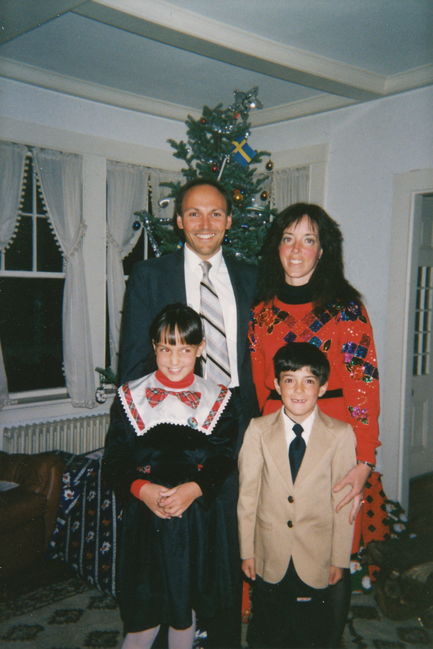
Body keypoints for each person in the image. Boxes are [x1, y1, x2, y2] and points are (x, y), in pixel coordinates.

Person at [118, 177, 258, 647]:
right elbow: (136, 362)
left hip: (236, 420)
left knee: (226, 540)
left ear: (229, 221)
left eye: (215, 213)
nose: (205, 223)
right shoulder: (150, 276)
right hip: (173, 428)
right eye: (193, 213)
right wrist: (151, 449)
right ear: (178, 221)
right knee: (171, 543)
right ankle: (169, 631)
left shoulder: (252, 276)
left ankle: (219, 639)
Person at [248, 202, 380, 643]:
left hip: (336, 444)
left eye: (308, 239)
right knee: (279, 538)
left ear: (323, 250)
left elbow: (365, 386)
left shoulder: (346, 309)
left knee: (330, 552)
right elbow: (258, 384)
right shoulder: (261, 311)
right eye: (288, 238)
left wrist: (364, 459)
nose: (297, 249)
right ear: (277, 248)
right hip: (277, 437)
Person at [104, 304, 239, 649]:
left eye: (185, 349)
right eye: (166, 349)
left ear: (200, 349)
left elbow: (222, 460)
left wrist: (193, 489)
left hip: (193, 521)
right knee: (143, 617)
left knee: (184, 610)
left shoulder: (218, 399)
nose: (175, 360)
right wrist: (142, 489)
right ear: (154, 347)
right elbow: (116, 460)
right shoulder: (129, 396)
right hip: (145, 521)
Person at [238, 342, 356, 648]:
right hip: (269, 549)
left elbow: (343, 505)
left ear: (323, 387)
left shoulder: (341, 434)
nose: (299, 390)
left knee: (310, 631)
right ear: (277, 385)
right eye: (290, 380)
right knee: (268, 629)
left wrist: (339, 558)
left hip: (316, 553)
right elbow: (248, 495)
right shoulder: (258, 430)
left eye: (309, 381)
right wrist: (247, 550)